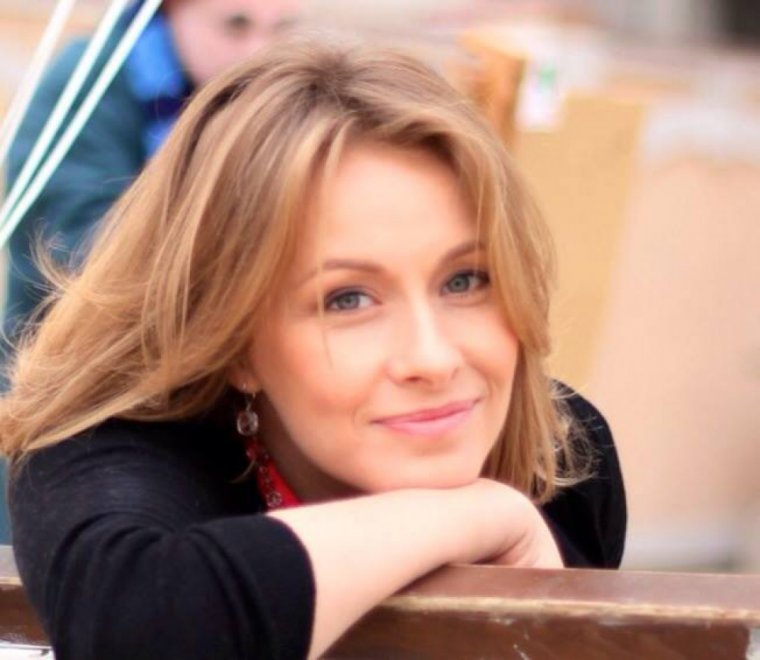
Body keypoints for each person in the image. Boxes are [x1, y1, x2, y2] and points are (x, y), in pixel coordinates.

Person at [0, 38, 625, 659]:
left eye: (465, 281)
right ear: (235, 341)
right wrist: (483, 517)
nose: (433, 360)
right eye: (348, 299)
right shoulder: (115, 449)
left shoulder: (565, 456)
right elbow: (139, 631)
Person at [3, 0, 304, 340]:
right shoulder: (87, 84)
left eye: (280, 29)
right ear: (171, 7)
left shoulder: (239, 103)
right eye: (235, 26)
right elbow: (83, 251)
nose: (257, 53)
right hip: (60, 354)